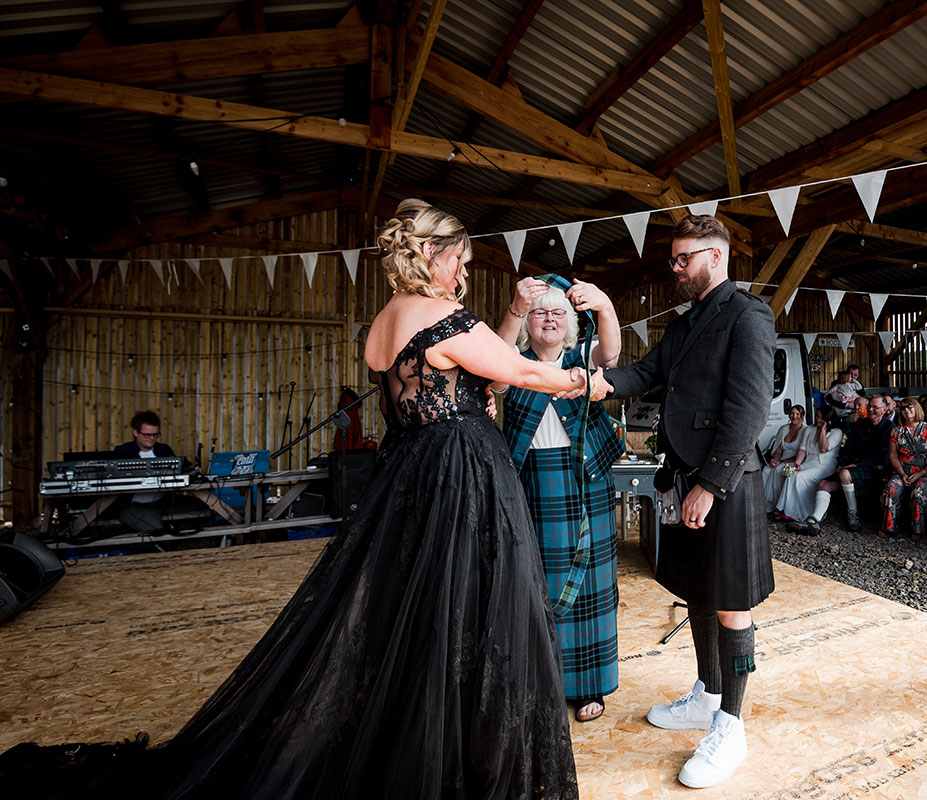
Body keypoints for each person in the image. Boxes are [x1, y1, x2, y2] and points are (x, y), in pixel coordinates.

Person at [0, 200, 591, 799]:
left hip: (412, 475)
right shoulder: (445, 316)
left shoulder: (383, 324)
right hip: (461, 476)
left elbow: (440, 390)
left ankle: (428, 734)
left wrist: (476, 392)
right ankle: (459, 757)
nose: (463, 273)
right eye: (459, 259)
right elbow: (530, 374)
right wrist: (591, 381)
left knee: (423, 608)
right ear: (430, 255)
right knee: (473, 604)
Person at [593, 215, 774, 789]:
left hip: (724, 483)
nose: (675, 268)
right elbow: (644, 373)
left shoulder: (748, 315)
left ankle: (731, 725)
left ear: (715, 257)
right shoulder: (684, 324)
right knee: (697, 591)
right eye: (672, 259)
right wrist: (592, 382)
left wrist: (711, 485)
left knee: (730, 603)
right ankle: (707, 692)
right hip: (683, 474)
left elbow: (748, 410)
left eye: (683, 259)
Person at [495, 274, 624, 724]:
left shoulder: (582, 358)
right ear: (529, 321)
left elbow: (611, 354)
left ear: (569, 322)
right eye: (540, 312)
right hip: (531, 478)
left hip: (586, 478)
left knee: (591, 584)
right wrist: (515, 306)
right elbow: (492, 363)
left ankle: (589, 685)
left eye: (557, 313)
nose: (548, 319)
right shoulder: (513, 362)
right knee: (535, 585)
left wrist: (603, 305)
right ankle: (542, 680)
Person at [813, 394, 894, 533]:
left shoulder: (889, 428)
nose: (871, 409)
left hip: (875, 468)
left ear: (884, 410)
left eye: (875, 407)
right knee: (823, 484)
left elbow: (883, 457)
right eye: (870, 406)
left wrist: (856, 466)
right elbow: (848, 447)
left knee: (845, 474)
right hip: (851, 467)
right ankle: (815, 520)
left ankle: (853, 515)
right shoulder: (860, 424)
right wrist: (841, 463)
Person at [877, 397, 927, 541]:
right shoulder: (896, 431)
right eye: (903, 408)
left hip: (925, 471)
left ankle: (918, 529)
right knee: (891, 489)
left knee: (919, 492)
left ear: (916, 407)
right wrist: (902, 473)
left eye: (909, 406)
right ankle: (889, 527)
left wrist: (920, 473)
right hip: (902, 471)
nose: (906, 410)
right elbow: (893, 456)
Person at [778, 405, 844, 534]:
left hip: (824, 465)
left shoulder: (836, 432)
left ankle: (806, 514)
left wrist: (824, 431)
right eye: (817, 417)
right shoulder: (810, 429)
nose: (818, 420)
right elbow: (802, 448)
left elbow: (824, 448)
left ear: (828, 419)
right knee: (792, 474)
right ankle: (791, 513)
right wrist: (797, 463)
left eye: (821, 417)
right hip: (808, 462)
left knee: (800, 477)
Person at [111, 410, 177, 533]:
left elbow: (181, 468)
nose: (152, 438)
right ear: (136, 432)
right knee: (155, 530)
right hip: (133, 504)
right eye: (147, 435)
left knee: (203, 509)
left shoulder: (164, 450)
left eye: (155, 435)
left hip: (161, 501)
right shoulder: (123, 451)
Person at [763, 405, 807, 516]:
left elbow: (802, 453)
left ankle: (778, 506)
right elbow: (778, 448)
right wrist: (775, 459)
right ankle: (764, 504)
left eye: (797, 414)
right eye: (792, 413)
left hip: (796, 460)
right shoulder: (783, 429)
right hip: (781, 459)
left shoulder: (805, 430)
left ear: (802, 416)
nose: (794, 416)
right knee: (766, 470)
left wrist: (781, 462)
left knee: (779, 470)